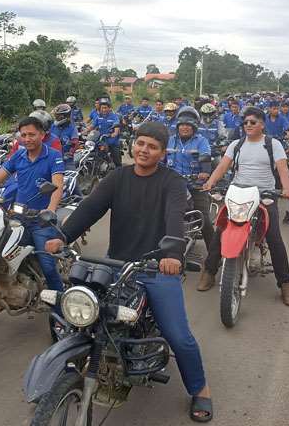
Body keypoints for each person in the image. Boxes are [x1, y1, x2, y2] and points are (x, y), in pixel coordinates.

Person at [45, 121, 214, 422]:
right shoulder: (118, 177)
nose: (144, 150)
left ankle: (201, 389)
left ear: (162, 152)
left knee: (178, 335)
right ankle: (70, 374)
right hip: (117, 264)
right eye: (140, 143)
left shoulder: (172, 182)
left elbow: (174, 219)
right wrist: (62, 236)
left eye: (152, 146)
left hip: (155, 268)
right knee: (77, 316)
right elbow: (89, 208)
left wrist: (172, 254)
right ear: (132, 145)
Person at [201, 107, 289, 305]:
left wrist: (287, 188)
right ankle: (209, 272)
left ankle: (285, 284)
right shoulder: (236, 144)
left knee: (274, 238)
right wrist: (210, 182)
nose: (248, 125)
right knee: (221, 230)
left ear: (262, 124)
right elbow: (223, 166)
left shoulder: (273, 144)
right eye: (245, 122)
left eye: (253, 122)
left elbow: (282, 168)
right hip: (238, 192)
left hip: (265, 194)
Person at [0, 116, 65, 292]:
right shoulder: (19, 155)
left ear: (42, 134)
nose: (27, 139)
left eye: (32, 134)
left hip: (42, 220)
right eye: (23, 135)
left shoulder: (53, 156)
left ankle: (61, 307)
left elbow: (57, 186)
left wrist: (50, 210)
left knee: (48, 267)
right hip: (18, 216)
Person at [166, 107, 216, 273]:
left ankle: (215, 257)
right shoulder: (170, 140)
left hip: (194, 186)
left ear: (194, 126)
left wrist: (204, 173)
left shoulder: (201, 141)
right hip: (172, 186)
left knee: (205, 220)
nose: (184, 127)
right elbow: (161, 159)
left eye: (188, 125)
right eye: (182, 124)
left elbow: (205, 158)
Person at [88, 99, 122, 167]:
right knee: (93, 153)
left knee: (116, 160)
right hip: (101, 141)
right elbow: (92, 126)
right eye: (102, 108)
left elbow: (116, 126)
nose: (104, 110)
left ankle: (119, 171)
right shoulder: (98, 117)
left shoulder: (114, 117)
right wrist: (83, 131)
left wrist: (115, 133)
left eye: (105, 108)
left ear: (109, 108)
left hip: (112, 141)